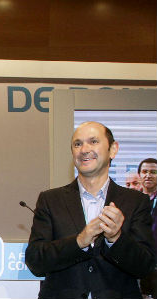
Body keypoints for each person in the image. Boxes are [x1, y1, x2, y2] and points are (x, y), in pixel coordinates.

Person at [25, 121, 155, 299]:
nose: (84, 149)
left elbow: (146, 266)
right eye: (77, 144)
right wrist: (79, 241)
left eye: (93, 141)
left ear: (113, 149)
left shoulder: (136, 201)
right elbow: (35, 261)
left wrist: (116, 239)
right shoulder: (50, 200)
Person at [137, 158, 157, 299]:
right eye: (144, 172)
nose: (148, 175)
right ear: (140, 175)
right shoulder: (131, 200)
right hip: (136, 262)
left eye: (153, 172)